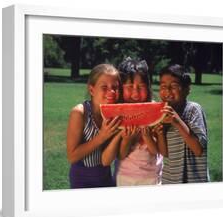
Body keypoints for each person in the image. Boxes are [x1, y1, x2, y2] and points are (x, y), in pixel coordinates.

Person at [107, 57, 164, 186]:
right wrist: (127, 139)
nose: (135, 93)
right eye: (129, 87)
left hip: (152, 178)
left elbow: (157, 151)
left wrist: (147, 137)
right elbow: (121, 155)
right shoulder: (118, 112)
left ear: (148, 87)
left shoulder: (155, 108)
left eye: (141, 87)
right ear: (121, 88)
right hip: (125, 177)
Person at [66, 63, 122, 189]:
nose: (111, 92)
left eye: (115, 87)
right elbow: (72, 156)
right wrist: (101, 137)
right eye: (104, 87)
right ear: (92, 90)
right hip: (82, 181)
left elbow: (108, 158)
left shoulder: (115, 114)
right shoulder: (80, 113)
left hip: (106, 178)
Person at [154, 64, 209, 184]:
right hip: (170, 181)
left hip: (194, 181)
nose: (167, 91)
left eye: (174, 86)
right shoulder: (162, 114)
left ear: (187, 89)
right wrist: (161, 133)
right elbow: (164, 153)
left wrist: (177, 121)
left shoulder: (193, 109)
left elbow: (198, 149)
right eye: (163, 86)